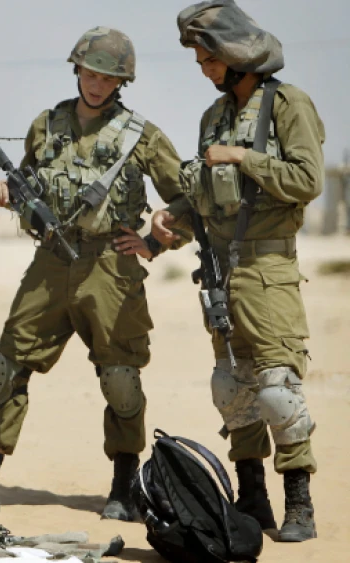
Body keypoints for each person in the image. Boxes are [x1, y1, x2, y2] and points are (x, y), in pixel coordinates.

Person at [0, 27, 190, 521]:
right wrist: (4, 194)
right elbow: (23, 182)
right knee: (7, 367)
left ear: (122, 81)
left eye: (108, 77)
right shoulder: (45, 125)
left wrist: (156, 240)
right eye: (91, 73)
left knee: (120, 378)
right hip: (50, 263)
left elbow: (188, 198)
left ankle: (123, 482)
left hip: (111, 267)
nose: (97, 84)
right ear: (77, 70)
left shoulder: (143, 135)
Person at [150, 0, 324, 542]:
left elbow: (307, 180)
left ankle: (300, 504)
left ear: (233, 54)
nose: (203, 69)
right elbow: (205, 199)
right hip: (222, 275)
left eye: (208, 59)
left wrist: (242, 158)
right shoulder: (214, 118)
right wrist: (163, 227)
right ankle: (254, 500)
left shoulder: (288, 105)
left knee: (277, 389)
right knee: (234, 390)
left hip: (269, 269)